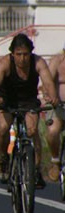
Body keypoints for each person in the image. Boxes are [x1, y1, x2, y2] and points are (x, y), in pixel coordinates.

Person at [0, 33, 58, 188]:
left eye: (26, 54)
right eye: (18, 54)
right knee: (3, 127)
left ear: (30, 53)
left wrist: (52, 97)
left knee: (33, 131)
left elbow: (48, 81)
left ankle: (36, 169)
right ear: (12, 54)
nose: (22, 59)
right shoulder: (5, 63)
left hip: (29, 101)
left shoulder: (38, 62)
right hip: (6, 101)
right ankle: (3, 159)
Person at [45, 43, 65, 182]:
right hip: (58, 106)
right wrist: (51, 97)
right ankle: (55, 160)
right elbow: (48, 81)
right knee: (53, 131)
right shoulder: (57, 60)